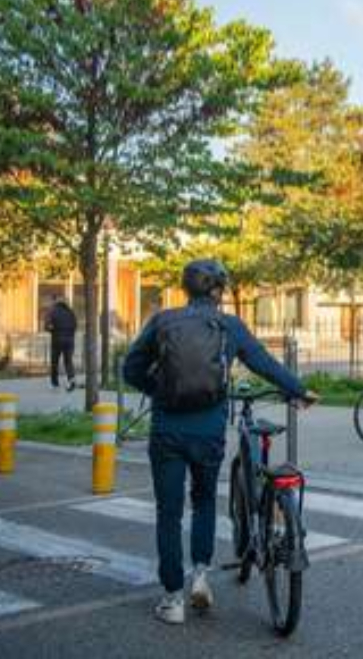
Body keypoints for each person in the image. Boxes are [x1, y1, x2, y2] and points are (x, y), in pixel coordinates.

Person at [122, 260, 317, 626]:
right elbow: (263, 363)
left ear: (186, 289)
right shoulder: (229, 325)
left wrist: (160, 391)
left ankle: (172, 598)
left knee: (168, 511)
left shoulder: (163, 321)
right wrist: (299, 390)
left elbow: (130, 369)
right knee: (205, 500)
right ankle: (200, 575)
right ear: (218, 292)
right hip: (208, 428)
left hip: (167, 428)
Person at [44, 298, 77, 391]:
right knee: (68, 361)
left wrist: (53, 331)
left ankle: (55, 384)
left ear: (57, 304)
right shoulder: (71, 312)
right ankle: (71, 380)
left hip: (57, 340)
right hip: (70, 341)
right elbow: (75, 325)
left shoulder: (52, 311)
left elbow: (46, 326)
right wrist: (70, 334)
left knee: (55, 362)